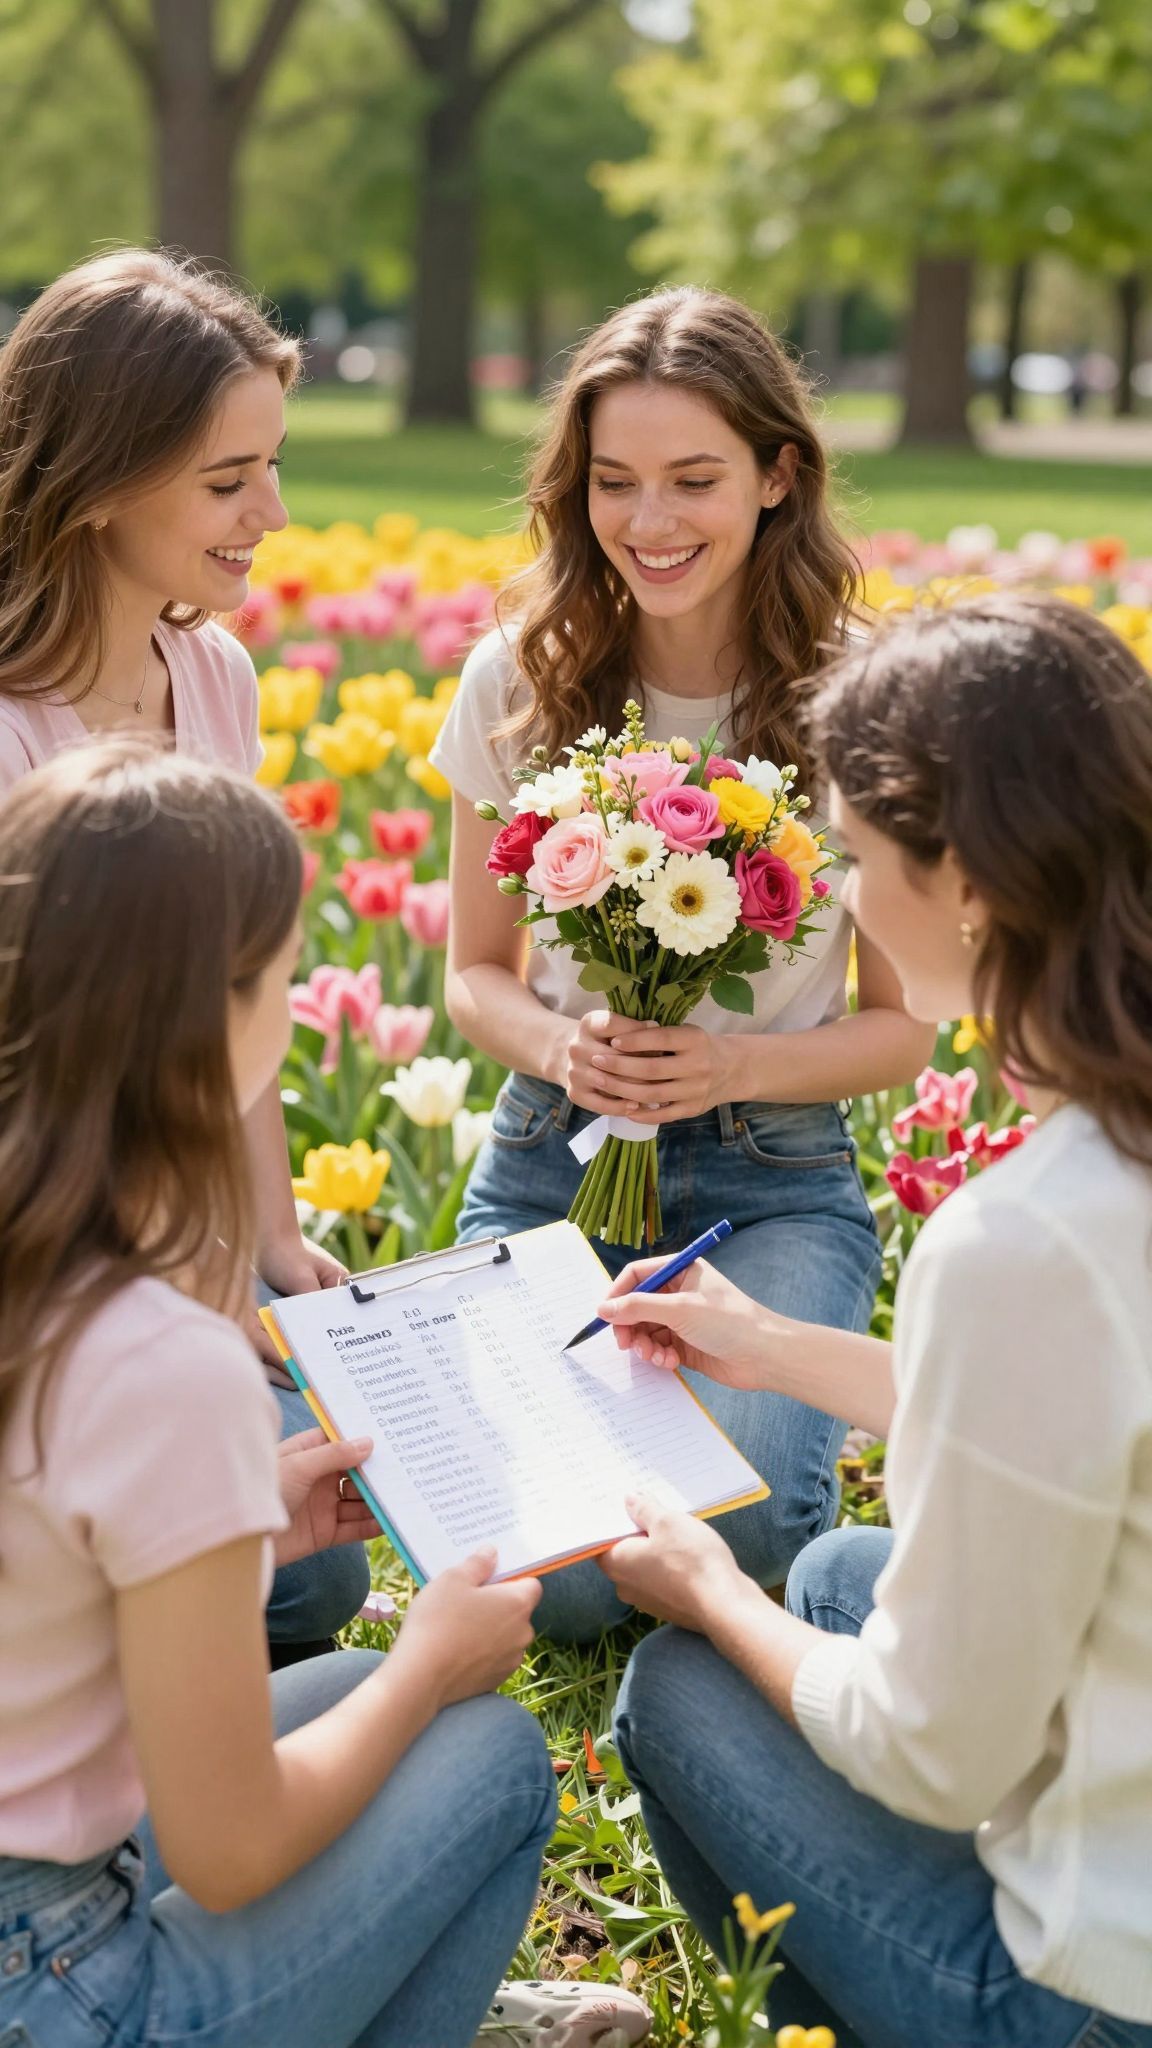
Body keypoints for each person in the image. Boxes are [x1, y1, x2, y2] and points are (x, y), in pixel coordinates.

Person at [595, 594, 1152, 2048]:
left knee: (681, 1680)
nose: (837, 894)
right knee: (843, 1567)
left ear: (963, 878)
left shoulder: (1030, 1239)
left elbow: (930, 1753)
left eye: (849, 853)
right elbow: (1090, 1405)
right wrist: (769, 1349)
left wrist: (713, 1591)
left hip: (1093, 1988)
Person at [0, 741, 563, 2048]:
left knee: (339, 1703)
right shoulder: (154, 1354)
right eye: (282, 973)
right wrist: (427, 1664)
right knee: (480, 1755)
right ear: (210, 1013)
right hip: (58, 1984)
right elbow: (235, 1845)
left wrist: (236, 1519)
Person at [430, 286, 932, 1642]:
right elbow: (474, 974)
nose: (651, 525)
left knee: (743, 1524)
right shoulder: (519, 677)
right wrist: (561, 1049)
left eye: (695, 480)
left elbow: (903, 1033)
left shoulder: (862, 698)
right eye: (616, 483)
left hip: (771, 1177)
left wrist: (731, 1063)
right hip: (553, 1154)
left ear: (779, 475)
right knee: (559, 1578)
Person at [0, 247, 367, 1656]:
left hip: (190, 1270)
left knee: (327, 1545)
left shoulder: (214, 677)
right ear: (97, 484)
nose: (273, 513)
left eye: (270, 466)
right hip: (55, 1287)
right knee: (304, 1572)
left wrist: (268, 1247)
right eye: (229, 481)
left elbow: (242, 1008)